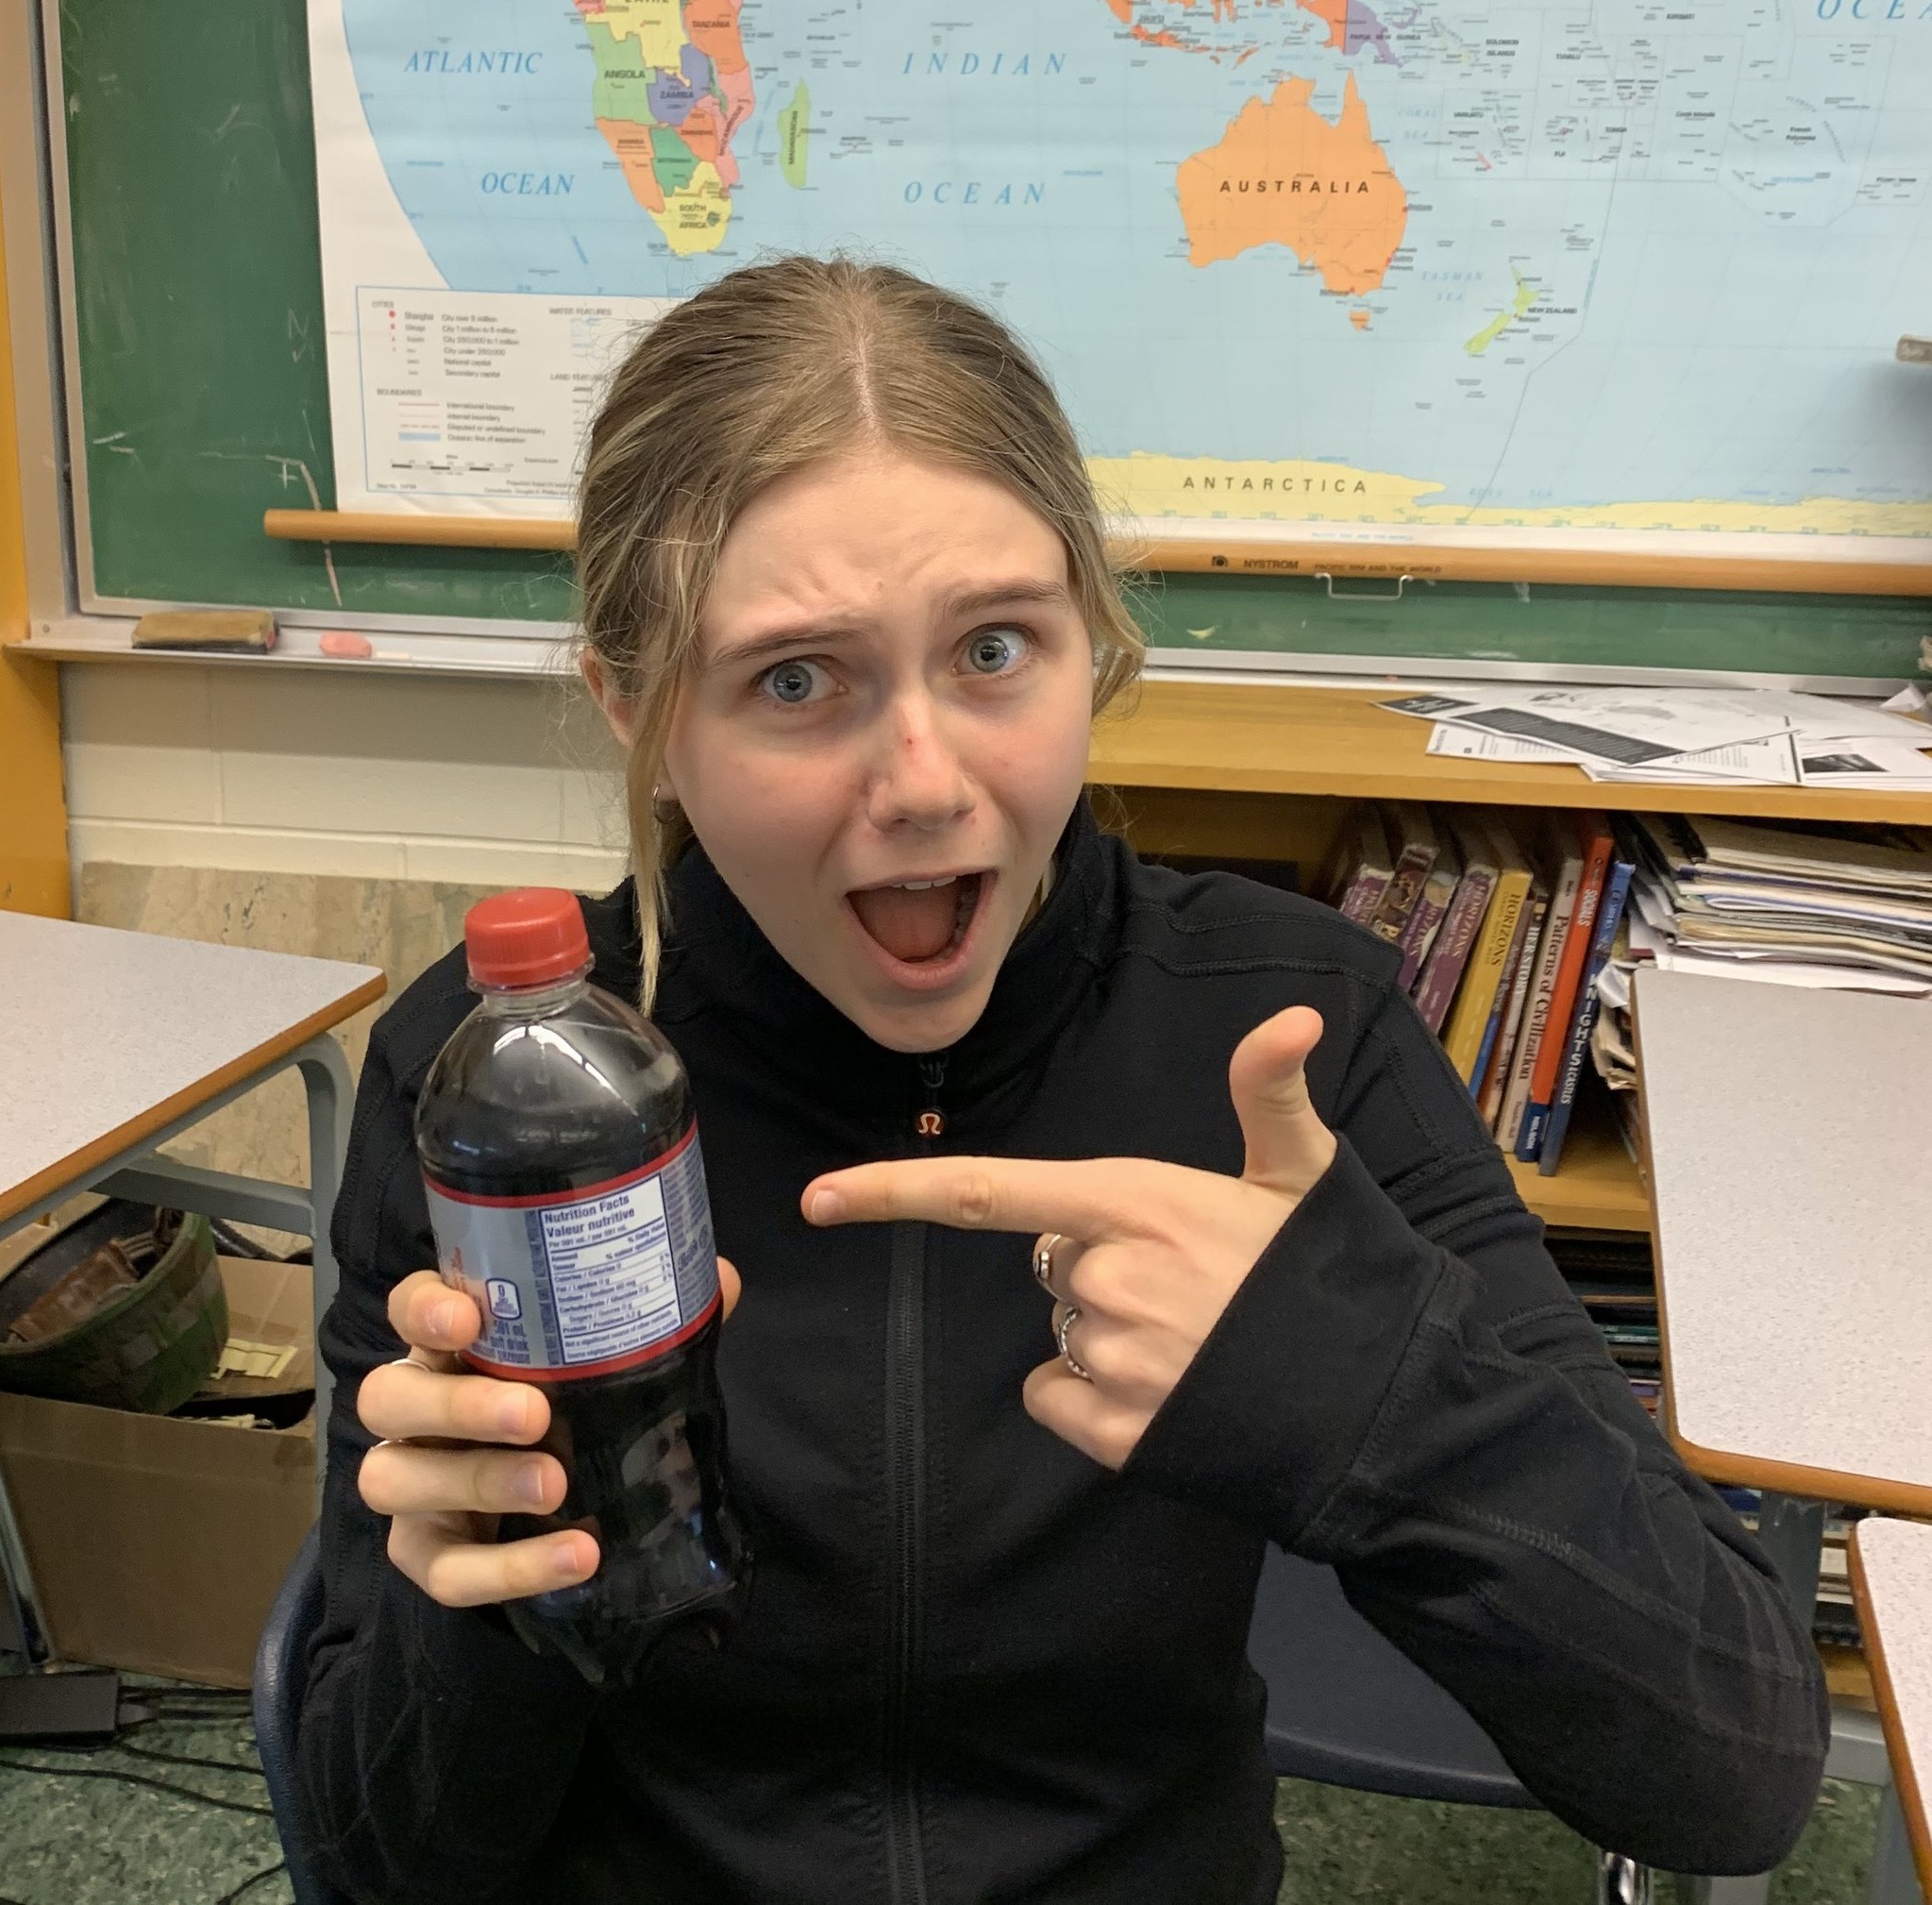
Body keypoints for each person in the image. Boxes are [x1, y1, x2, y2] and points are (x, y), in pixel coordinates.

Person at [295, 257, 1827, 1904]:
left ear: (1094, 642)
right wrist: (491, 1605)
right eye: (795, 680)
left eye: (997, 649)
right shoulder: (502, 1100)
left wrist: (1368, 1391)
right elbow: (376, 1856)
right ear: (637, 711)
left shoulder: (1286, 1041)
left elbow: (1730, 1769)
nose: (926, 782)